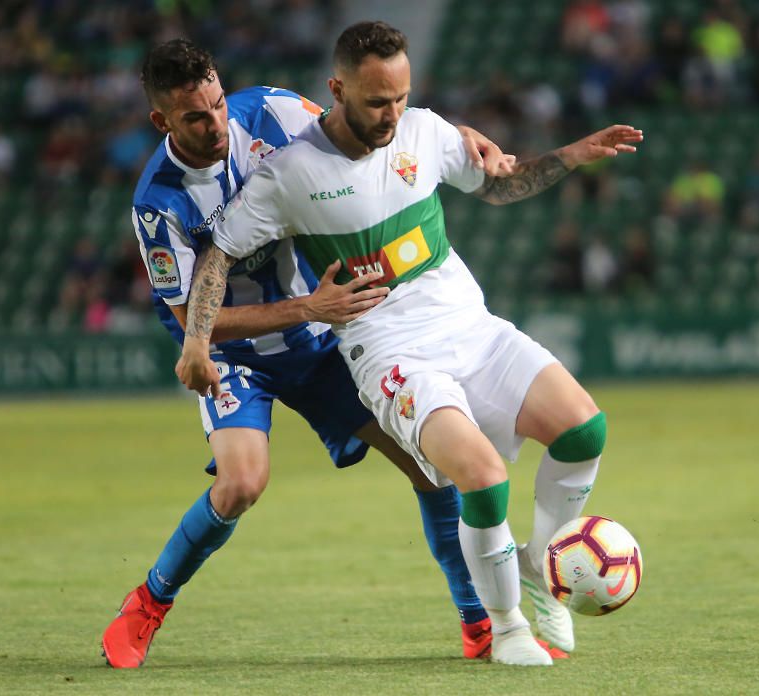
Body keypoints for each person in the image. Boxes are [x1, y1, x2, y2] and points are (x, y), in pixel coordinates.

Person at [177, 21, 642, 666]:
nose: (391, 114)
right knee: (482, 480)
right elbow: (217, 257)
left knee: (584, 429)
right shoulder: (288, 175)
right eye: (376, 102)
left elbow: (498, 184)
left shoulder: (424, 130)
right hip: (389, 351)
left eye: (400, 97)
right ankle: (506, 628)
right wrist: (197, 338)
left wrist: (569, 155)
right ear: (336, 89)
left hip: (469, 324)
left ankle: (539, 561)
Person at [100, 38, 559, 669]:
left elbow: (365, 136)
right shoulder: (160, 203)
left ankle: (478, 621)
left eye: (216, 104)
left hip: (321, 335)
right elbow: (193, 324)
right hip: (233, 350)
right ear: (162, 122)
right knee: (241, 483)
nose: (215, 125)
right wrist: (298, 312)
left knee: (431, 466)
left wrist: (462, 137)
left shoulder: (274, 113)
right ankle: (151, 600)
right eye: (195, 118)